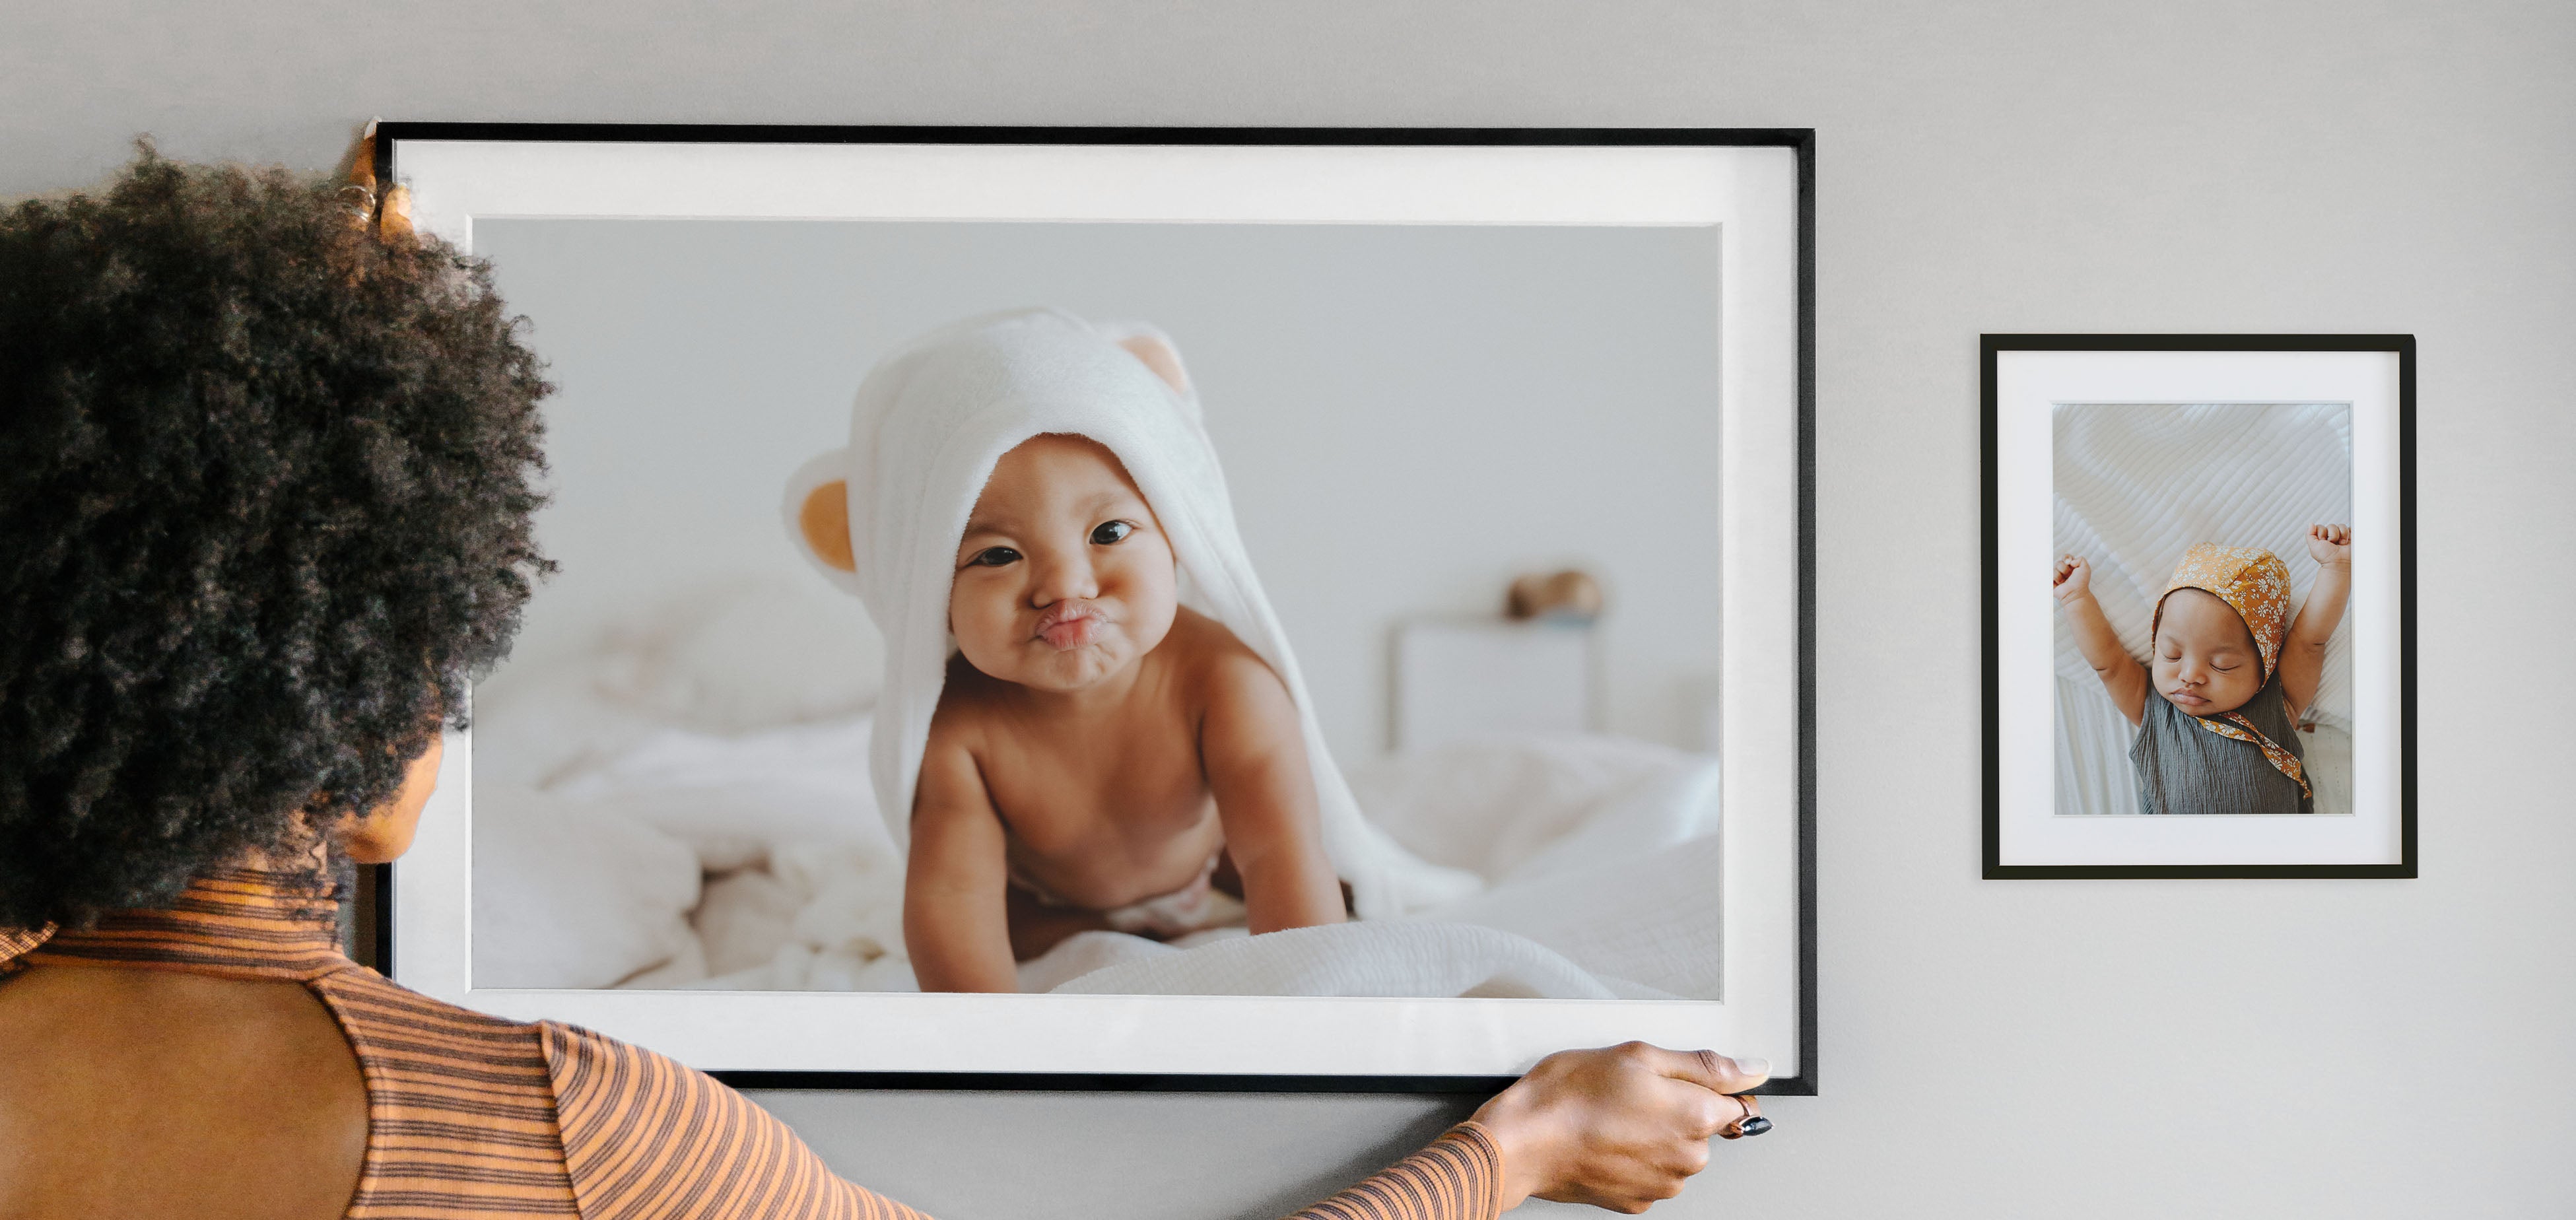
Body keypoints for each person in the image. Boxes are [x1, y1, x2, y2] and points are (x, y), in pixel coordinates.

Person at [0, 142, 1769, 1220]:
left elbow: (1311, 934)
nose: (1060, 594)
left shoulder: (1230, 684)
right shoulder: (577, 1125)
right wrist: (1521, 1144)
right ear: (390, 769)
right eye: (988, 555)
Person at [909, 432, 1345, 986]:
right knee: (970, 930)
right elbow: (955, 893)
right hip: (1043, 899)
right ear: (934, 597)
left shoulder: (1225, 679)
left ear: (1177, 541)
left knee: (1322, 883)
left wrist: (1311, 1007)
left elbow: (1275, 845)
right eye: (997, 555)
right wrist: (992, 1053)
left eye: (1108, 532)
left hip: (1208, 867)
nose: (1065, 584)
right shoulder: (958, 725)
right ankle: (1100, 929)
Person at [2052, 529, 2353, 815]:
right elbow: (2109, 663)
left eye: (2221, 664)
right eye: (2172, 655)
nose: (2190, 675)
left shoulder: (2279, 703)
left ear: (2264, 666)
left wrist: (2337, 567)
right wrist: (2075, 598)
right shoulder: (2155, 710)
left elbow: (2310, 639)